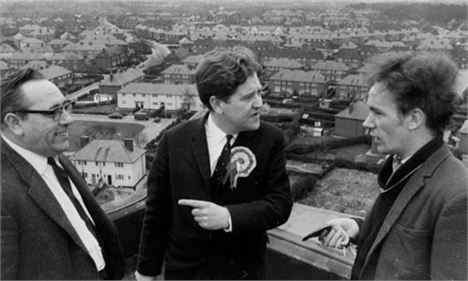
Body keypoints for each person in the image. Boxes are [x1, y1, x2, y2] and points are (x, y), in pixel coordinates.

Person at [136, 46, 293, 280]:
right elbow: (157, 211)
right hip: (185, 273)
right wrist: (146, 271)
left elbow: (280, 204)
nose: (260, 103)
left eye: (259, 92)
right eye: (249, 97)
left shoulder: (270, 140)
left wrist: (228, 217)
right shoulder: (174, 141)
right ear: (217, 104)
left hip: (240, 273)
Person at [317, 51, 467, 280]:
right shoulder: (402, 165)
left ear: (414, 119)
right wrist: (358, 228)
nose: (367, 123)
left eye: (377, 113)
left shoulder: (457, 195)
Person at [1, 68, 125, 280]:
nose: (68, 119)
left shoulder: (52, 155)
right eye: (54, 112)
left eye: (66, 106)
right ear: (15, 123)